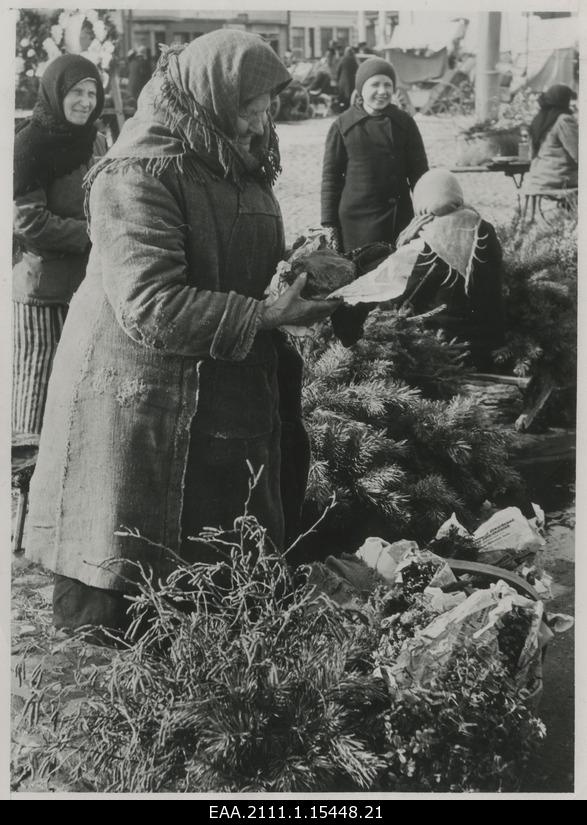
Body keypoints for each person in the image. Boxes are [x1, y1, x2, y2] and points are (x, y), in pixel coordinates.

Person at [26, 30, 340, 633]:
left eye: (267, 104)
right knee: (133, 559)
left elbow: (234, 246)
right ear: (213, 94)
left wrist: (297, 269)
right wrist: (265, 315)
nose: (261, 119)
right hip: (137, 387)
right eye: (251, 104)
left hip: (218, 374)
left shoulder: (231, 154)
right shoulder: (138, 171)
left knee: (208, 562)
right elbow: (150, 303)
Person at [12, 54, 106, 441]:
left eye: (91, 92)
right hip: (43, 292)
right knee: (36, 398)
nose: (85, 101)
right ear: (55, 93)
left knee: (80, 395)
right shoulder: (29, 143)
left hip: (86, 290)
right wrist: (96, 232)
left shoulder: (97, 140)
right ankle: (23, 491)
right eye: (75, 92)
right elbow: (27, 220)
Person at [395, 168, 504, 370]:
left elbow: (403, 298)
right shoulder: (483, 227)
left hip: (444, 347)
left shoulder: (430, 239)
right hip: (487, 343)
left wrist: (402, 248)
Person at [321, 56, 428, 254]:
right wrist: (329, 223)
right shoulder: (343, 126)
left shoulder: (404, 123)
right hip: (357, 224)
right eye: (375, 85)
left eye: (388, 85)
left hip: (399, 220)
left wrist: (427, 210)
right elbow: (331, 178)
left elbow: (419, 173)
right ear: (361, 88)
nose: (382, 91)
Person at [523, 84, 578, 194]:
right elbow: (578, 153)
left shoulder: (538, 120)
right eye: (569, 100)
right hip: (559, 177)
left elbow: (531, 154)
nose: (572, 104)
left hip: (538, 176)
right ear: (563, 100)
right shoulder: (564, 120)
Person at [335, 46, 358, 111]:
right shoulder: (354, 60)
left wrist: (337, 79)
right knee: (350, 96)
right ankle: (348, 109)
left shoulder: (343, 59)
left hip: (342, 81)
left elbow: (338, 70)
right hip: (351, 81)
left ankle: (341, 108)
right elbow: (357, 70)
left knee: (342, 96)